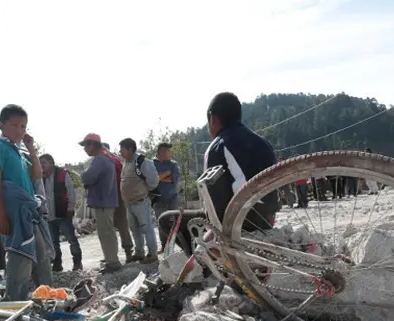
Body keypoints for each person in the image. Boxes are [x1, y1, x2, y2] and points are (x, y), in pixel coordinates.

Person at [158, 92, 279, 256]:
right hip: (267, 217)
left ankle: (202, 269)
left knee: (166, 219)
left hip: (241, 221)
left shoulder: (218, 146)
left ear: (212, 119)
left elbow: (214, 209)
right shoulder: (263, 143)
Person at [0, 104, 53, 301]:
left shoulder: (20, 153)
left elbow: (38, 174)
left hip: (30, 214)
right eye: (14, 125)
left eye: (23, 126)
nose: (20, 130)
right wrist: (2, 215)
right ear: (1, 125)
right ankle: (15, 301)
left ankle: (46, 297)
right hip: (14, 214)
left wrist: (31, 147)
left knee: (41, 258)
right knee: (20, 258)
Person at [80, 133, 122, 273]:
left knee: (106, 233)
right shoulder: (107, 159)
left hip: (102, 202)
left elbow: (87, 178)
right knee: (108, 233)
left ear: (92, 144)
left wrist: (82, 174)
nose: (84, 149)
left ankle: (113, 263)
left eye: (85, 145)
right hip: (106, 201)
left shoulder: (99, 160)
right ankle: (112, 260)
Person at [119, 138, 160, 264]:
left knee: (147, 228)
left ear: (130, 149)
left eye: (122, 149)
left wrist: (143, 191)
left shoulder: (142, 162)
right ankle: (139, 253)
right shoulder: (126, 162)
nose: (120, 151)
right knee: (135, 230)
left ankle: (153, 254)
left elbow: (153, 181)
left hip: (141, 202)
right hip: (129, 204)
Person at [40, 153, 83, 272]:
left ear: (51, 163)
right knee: (53, 243)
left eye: (44, 162)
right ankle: (57, 265)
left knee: (72, 240)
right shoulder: (40, 177)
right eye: (40, 163)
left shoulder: (62, 174)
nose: (41, 165)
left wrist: (70, 209)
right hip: (49, 216)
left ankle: (77, 263)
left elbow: (71, 193)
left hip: (63, 214)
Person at [102, 142, 135, 262]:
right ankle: (122, 254)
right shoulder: (115, 159)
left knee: (115, 227)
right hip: (115, 197)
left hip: (111, 198)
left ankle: (117, 255)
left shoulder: (108, 160)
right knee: (120, 226)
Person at [153, 143, 181, 251]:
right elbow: (153, 178)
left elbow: (173, 180)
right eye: (167, 151)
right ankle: (164, 246)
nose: (169, 154)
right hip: (158, 199)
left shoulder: (173, 164)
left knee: (174, 222)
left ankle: (175, 245)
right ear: (160, 153)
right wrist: (166, 173)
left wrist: (160, 177)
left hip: (172, 198)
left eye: (170, 151)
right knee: (161, 223)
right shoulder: (152, 164)